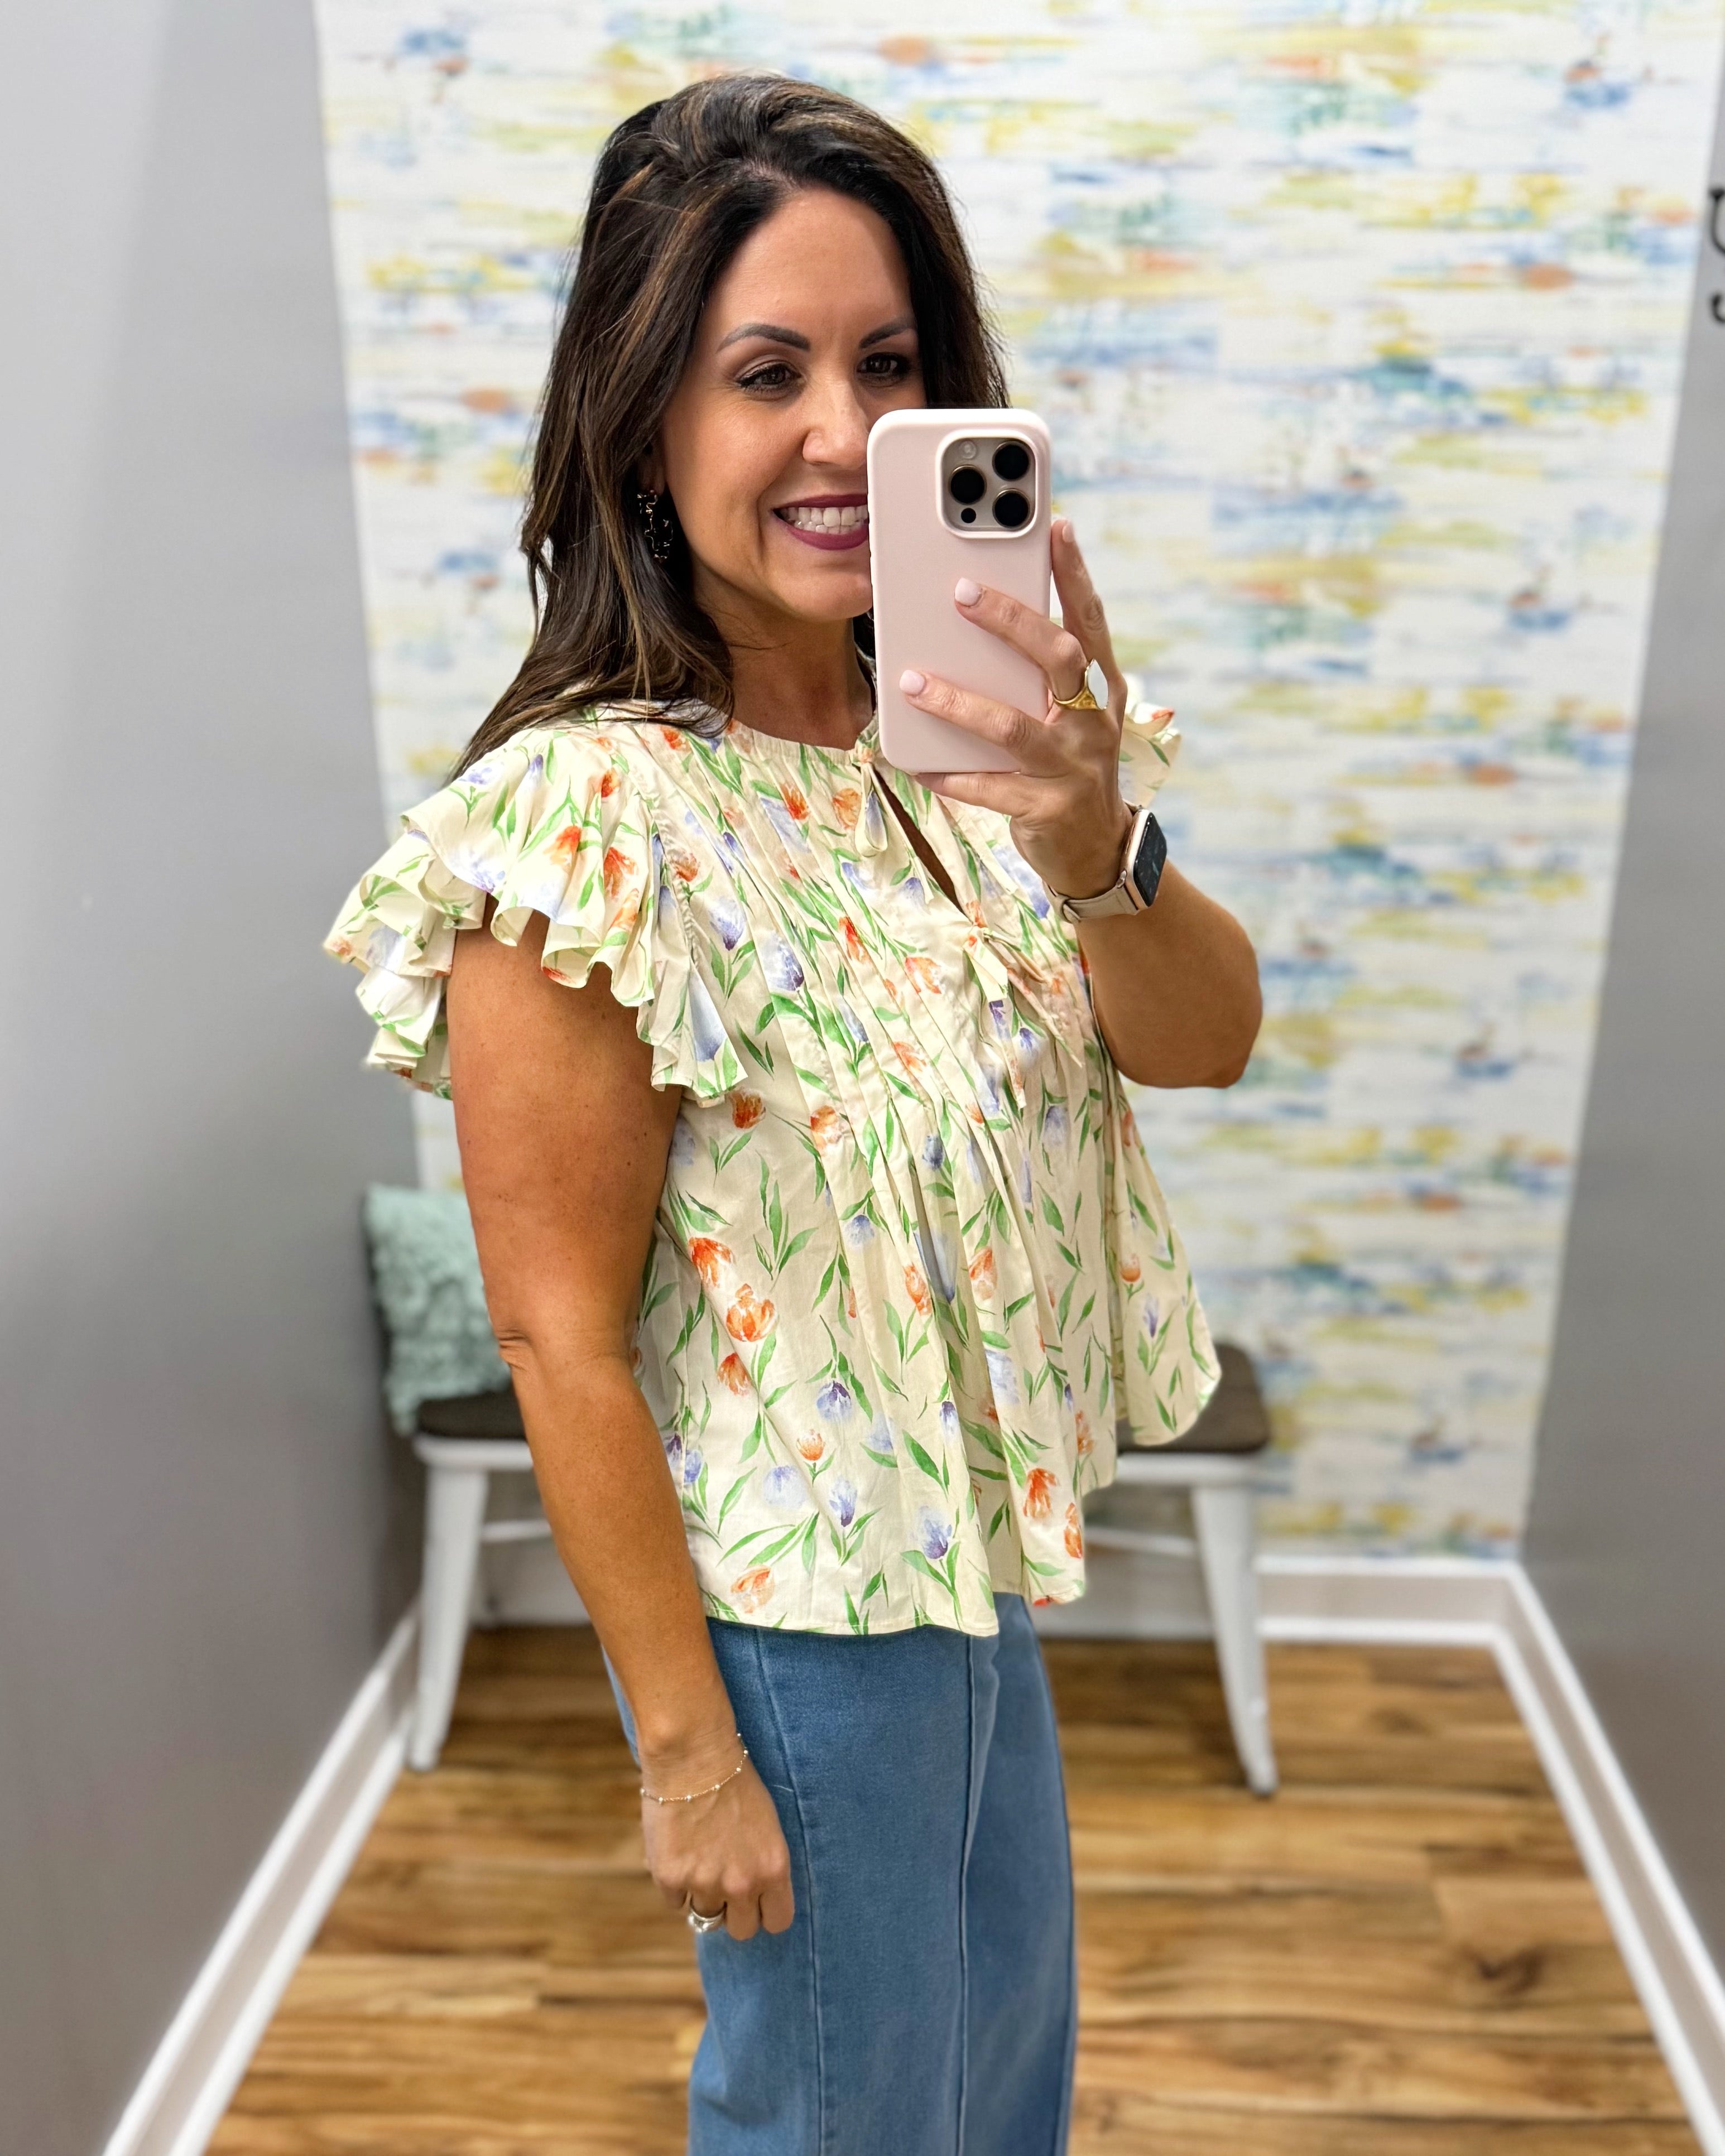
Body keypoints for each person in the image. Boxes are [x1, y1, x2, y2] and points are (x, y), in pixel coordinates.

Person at [327, 73, 1260, 2156]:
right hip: (800, 1618)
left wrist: (1090, 831)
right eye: (767, 375)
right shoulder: (588, 824)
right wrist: (686, 1756)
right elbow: (560, 1334)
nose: (843, 435)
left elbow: (1201, 1044)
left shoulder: (991, 745)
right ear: (643, 421)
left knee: (998, 2083)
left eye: (890, 364)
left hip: (969, 1567)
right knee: (841, 2117)